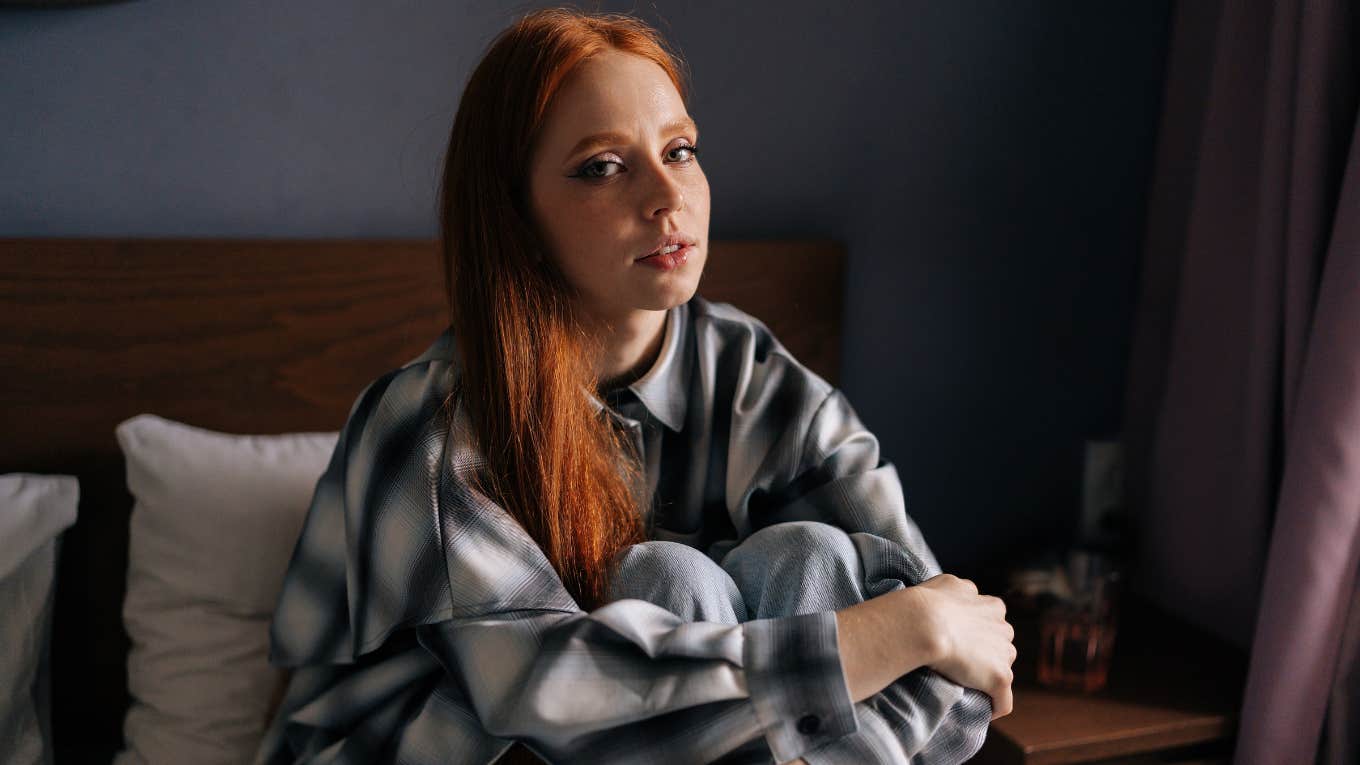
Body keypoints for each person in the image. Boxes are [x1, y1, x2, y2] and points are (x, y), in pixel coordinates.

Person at [254, 7, 1015, 765]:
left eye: (679, 150)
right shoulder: (430, 425)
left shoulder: (755, 379)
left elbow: (956, 679)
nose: (666, 197)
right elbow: (557, 696)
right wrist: (900, 631)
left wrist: (915, 632)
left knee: (809, 555)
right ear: (518, 219)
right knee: (665, 580)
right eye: (602, 167)